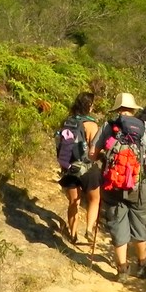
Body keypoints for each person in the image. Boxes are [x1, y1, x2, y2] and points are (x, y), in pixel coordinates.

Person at [93, 92, 146, 282]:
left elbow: (92, 153)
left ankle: (122, 270)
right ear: (133, 109)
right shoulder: (143, 126)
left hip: (113, 185)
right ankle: (143, 266)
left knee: (117, 226)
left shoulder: (108, 126)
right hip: (140, 186)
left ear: (117, 109)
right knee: (140, 225)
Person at [55, 91, 102, 245]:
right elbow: (94, 150)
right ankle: (89, 229)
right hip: (87, 168)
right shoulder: (91, 124)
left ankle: (73, 234)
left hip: (69, 168)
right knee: (94, 199)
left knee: (73, 201)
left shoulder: (67, 121)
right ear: (89, 106)